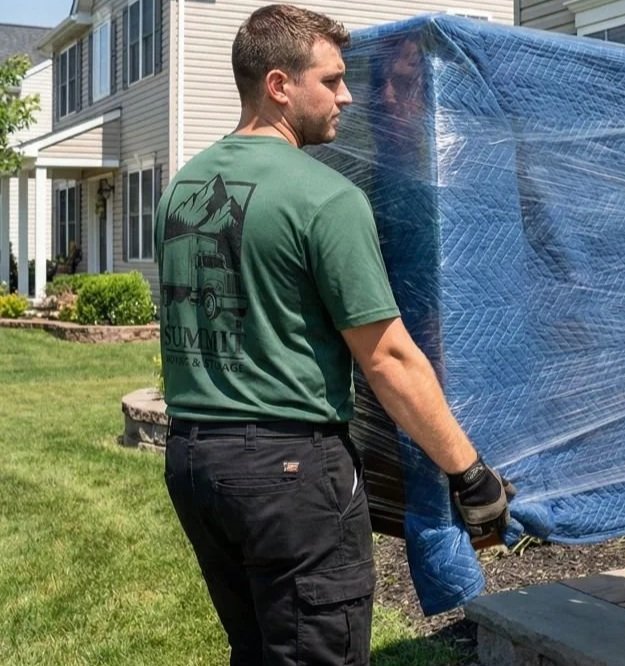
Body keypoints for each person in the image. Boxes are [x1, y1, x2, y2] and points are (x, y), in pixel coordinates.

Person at [154, 5, 512, 665]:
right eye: (332, 80)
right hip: (290, 473)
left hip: (196, 465)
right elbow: (389, 359)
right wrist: (470, 473)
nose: (347, 95)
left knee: (258, 648)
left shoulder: (182, 189)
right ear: (279, 86)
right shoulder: (325, 197)